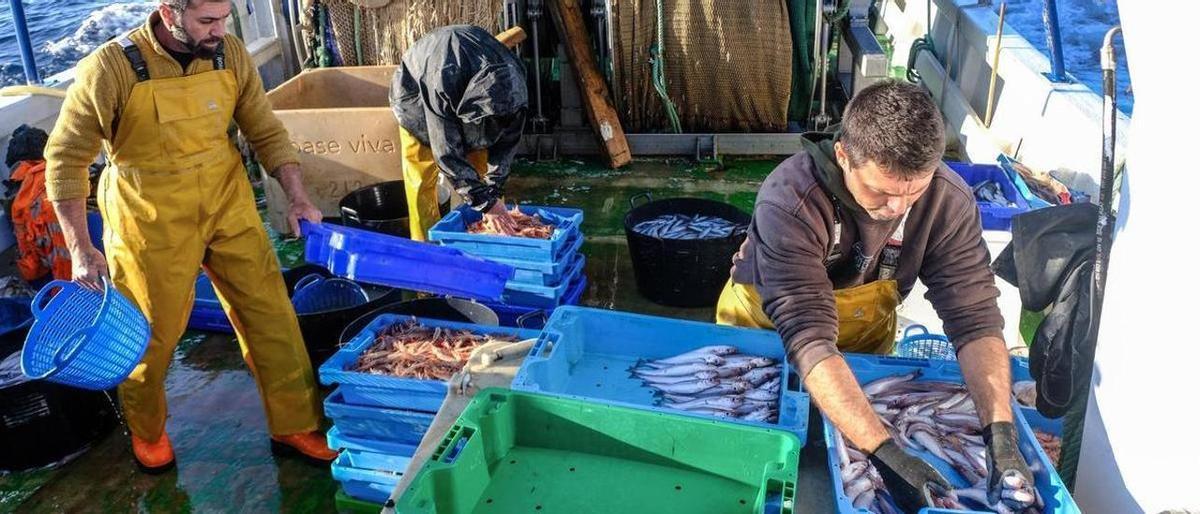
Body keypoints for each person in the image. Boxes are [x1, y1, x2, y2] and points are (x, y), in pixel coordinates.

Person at [43, 0, 334, 473]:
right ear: (168, 12)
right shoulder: (111, 67)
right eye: (207, 21)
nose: (220, 30)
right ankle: (148, 430)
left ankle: (294, 424)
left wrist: (298, 196)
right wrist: (81, 247)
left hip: (227, 202)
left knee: (271, 315)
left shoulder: (230, 53)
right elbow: (65, 160)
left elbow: (266, 130)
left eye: (225, 18)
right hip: (149, 218)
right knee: (149, 336)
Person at [716, 80, 1033, 511]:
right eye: (882, 192)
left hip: (863, 345)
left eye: (913, 191)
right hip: (766, 331)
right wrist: (885, 453)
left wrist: (1001, 435)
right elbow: (808, 336)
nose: (898, 208)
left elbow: (974, 317)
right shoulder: (790, 199)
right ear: (844, 154)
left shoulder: (947, 200)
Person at [389, 24, 528, 241]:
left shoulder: (515, 90)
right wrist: (486, 203)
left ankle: (480, 235)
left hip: (462, 78)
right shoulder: (441, 81)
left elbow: (507, 142)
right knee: (421, 176)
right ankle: (427, 244)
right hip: (418, 94)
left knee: (479, 172)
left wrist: (494, 193)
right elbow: (444, 150)